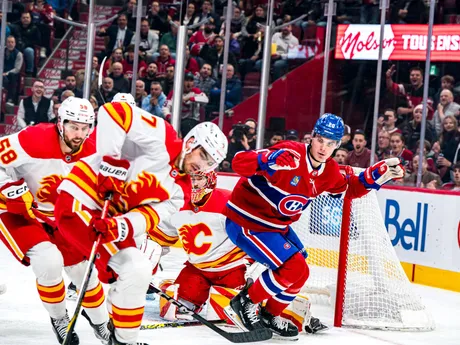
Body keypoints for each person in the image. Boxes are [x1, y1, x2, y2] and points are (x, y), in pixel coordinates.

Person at [54, 100, 228, 345]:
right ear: (190, 143)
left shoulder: (181, 191)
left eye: (210, 163)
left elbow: (148, 217)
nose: (202, 166)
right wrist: (111, 164)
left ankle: (123, 340)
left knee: (138, 269)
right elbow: (112, 112)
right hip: (79, 201)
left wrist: (120, 226)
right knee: (114, 269)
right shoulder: (162, 135)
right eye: (203, 156)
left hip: (108, 221)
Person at [223, 113, 404, 340]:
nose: (323, 147)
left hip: (275, 227)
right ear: (312, 137)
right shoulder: (289, 152)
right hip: (246, 221)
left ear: (338, 145)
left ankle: (270, 314)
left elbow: (351, 188)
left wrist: (379, 174)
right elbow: (238, 161)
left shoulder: (328, 171)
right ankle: (245, 303)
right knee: (294, 268)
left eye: (330, 143)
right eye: (320, 140)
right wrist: (267, 160)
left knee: (301, 273)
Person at [0, 96, 110, 344]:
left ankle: (102, 323)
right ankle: (60, 319)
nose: (79, 133)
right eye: (73, 126)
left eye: (85, 128)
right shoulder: (32, 138)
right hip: (21, 213)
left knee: (85, 272)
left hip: (59, 218)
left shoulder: (94, 151)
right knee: (49, 262)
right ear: (60, 123)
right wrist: (9, 187)